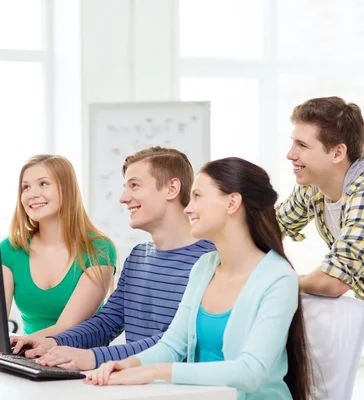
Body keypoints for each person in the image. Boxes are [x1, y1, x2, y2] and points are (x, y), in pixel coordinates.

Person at [85, 157, 312, 400]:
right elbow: (172, 345)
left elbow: (250, 372)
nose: (187, 208)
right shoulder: (204, 267)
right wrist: (127, 364)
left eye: (198, 197)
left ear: (232, 202)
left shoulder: (279, 278)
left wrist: (155, 372)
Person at [10, 147, 215, 371]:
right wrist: (52, 342)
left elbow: (175, 342)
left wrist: (95, 357)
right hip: (137, 385)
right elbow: (106, 323)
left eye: (134, 185)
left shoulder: (211, 261)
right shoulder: (138, 257)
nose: (123, 198)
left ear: (171, 188)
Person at [1, 154, 117, 336]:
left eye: (44, 184)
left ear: (67, 189)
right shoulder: (11, 249)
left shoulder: (99, 249)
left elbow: (67, 327)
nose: (32, 194)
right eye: (26, 187)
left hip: (81, 360)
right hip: (26, 358)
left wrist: (19, 342)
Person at [276, 96, 364, 298]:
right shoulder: (314, 187)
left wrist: (280, 284)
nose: (290, 154)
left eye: (302, 145)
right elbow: (271, 225)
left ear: (337, 153)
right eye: (293, 143)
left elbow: (334, 281)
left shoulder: (362, 192)